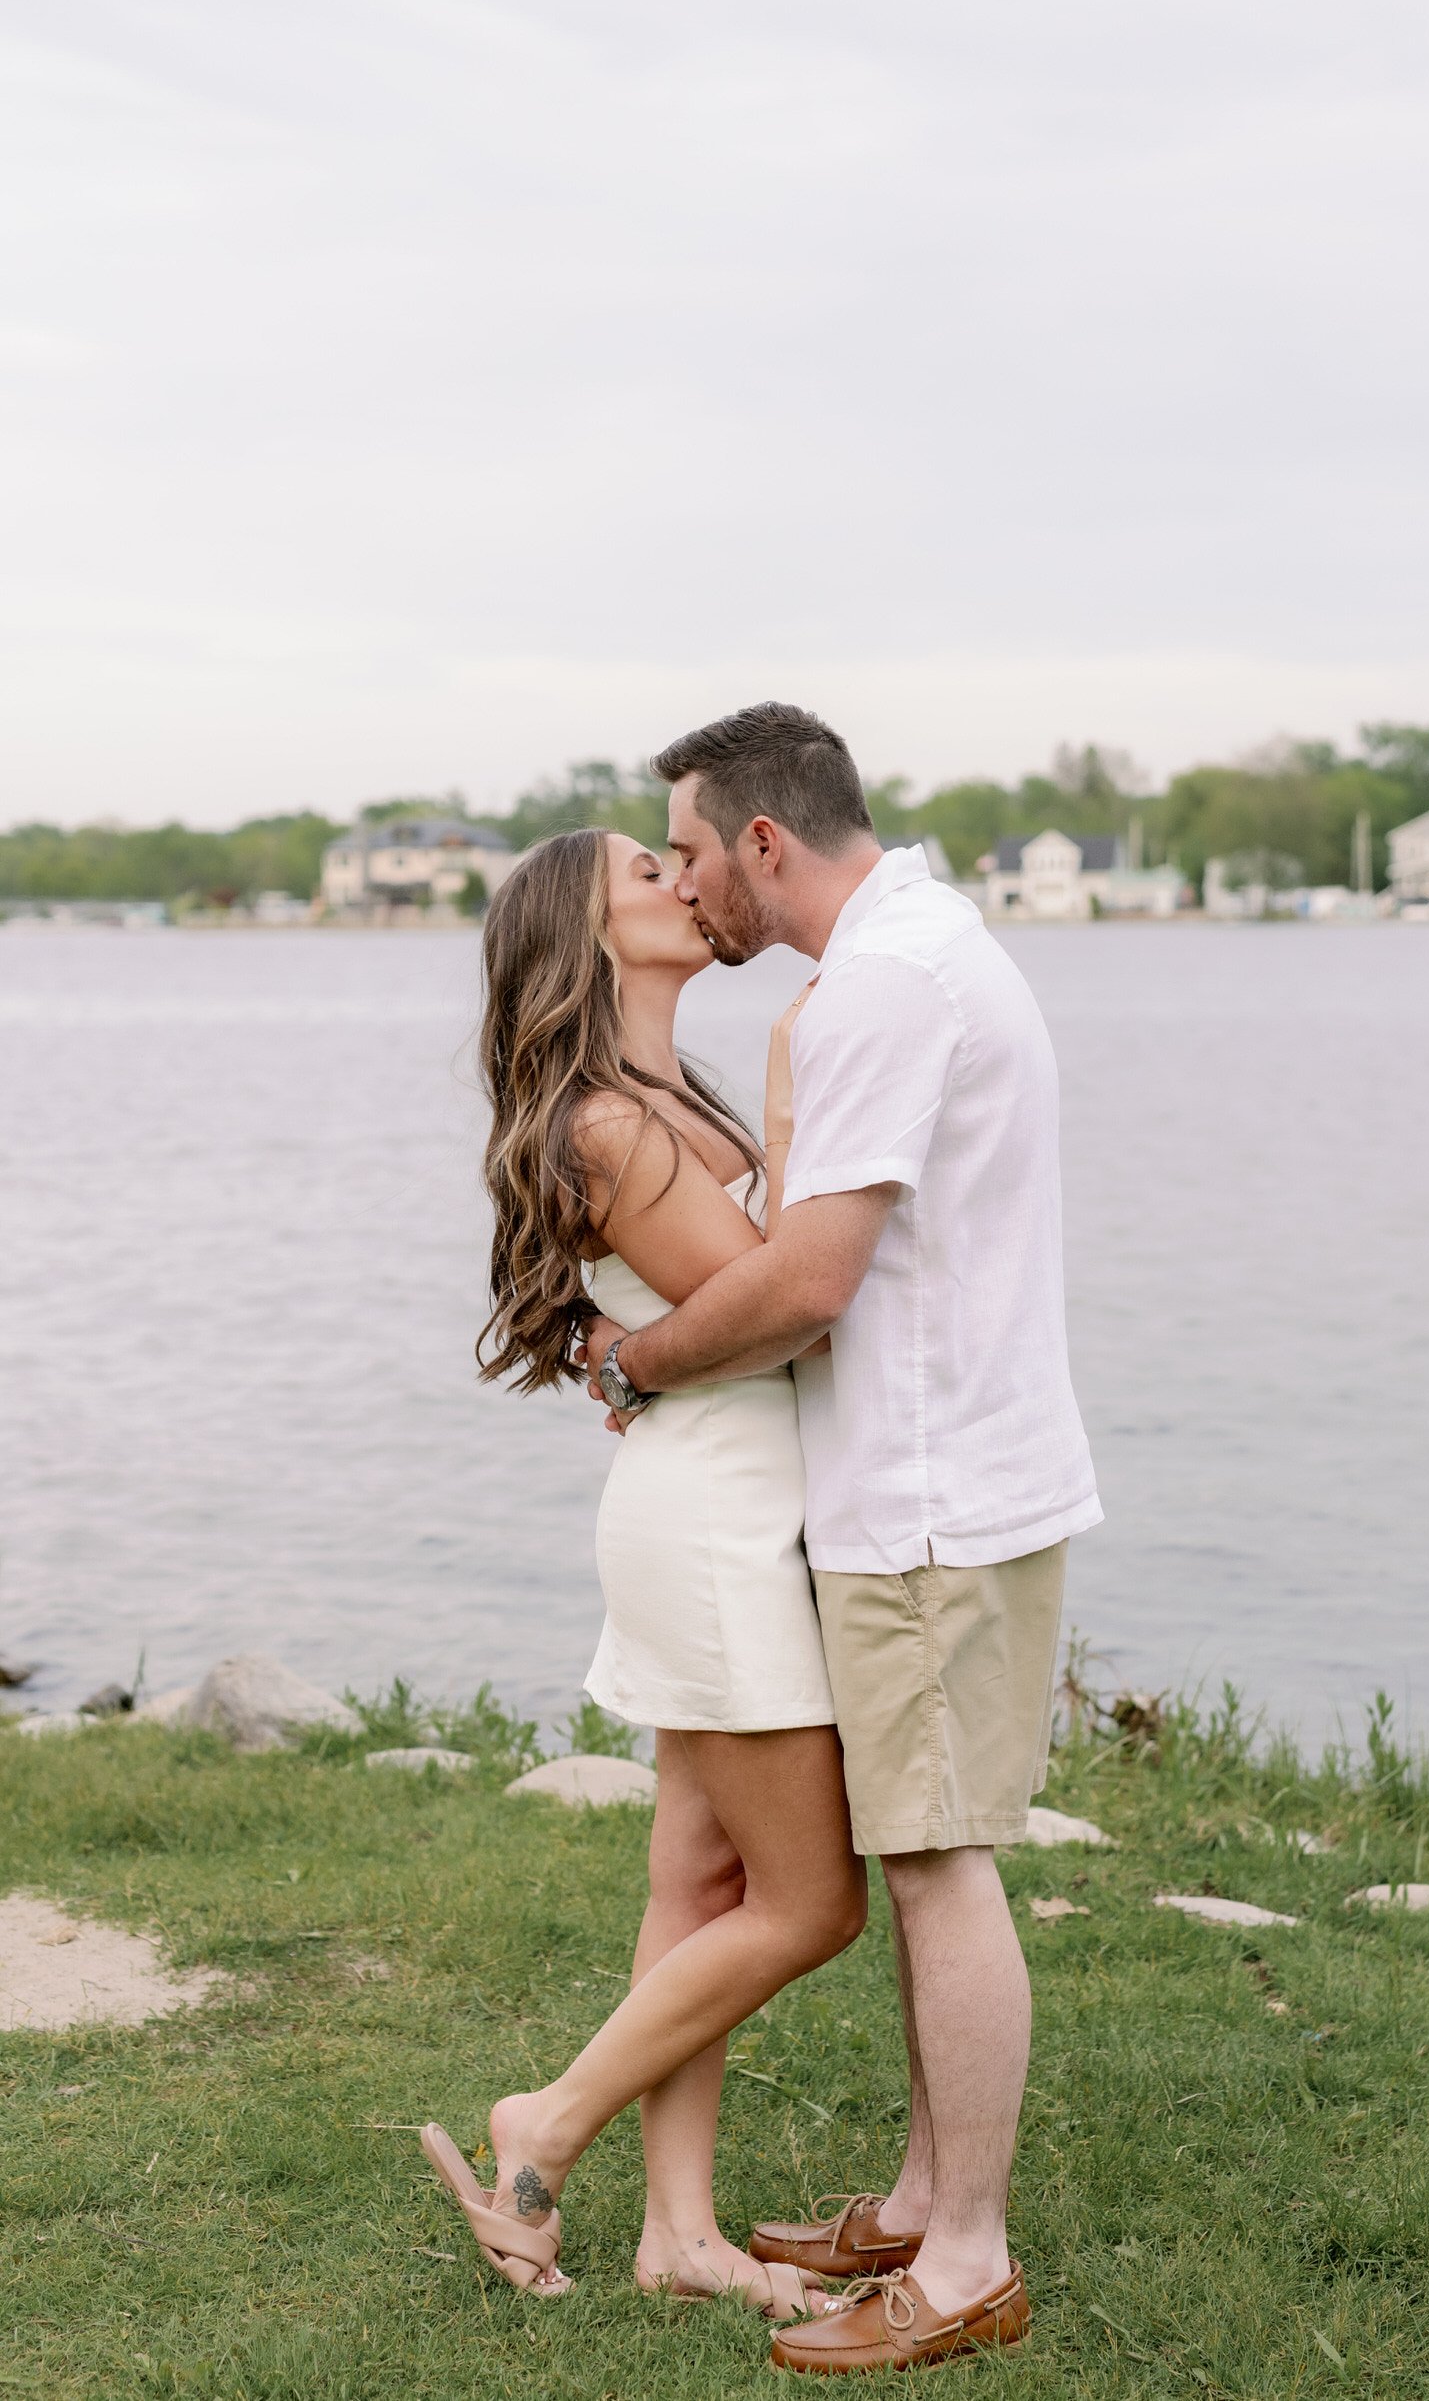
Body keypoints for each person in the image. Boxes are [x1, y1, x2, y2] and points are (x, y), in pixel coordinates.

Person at [582, 701, 1102, 2374]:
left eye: (689, 851)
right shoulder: (918, 952)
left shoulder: (878, 986)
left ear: (762, 844)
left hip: (932, 1490)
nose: (684, 885)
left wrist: (635, 1361)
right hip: (950, 1475)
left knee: (939, 1864)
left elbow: (809, 1281)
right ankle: (919, 2199)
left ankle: (963, 2263)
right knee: (923, 1850)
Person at [419, 824, 866, 2322]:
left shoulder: (672, 1094)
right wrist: (810, 1089)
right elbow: (780, 1305)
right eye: (646, 872)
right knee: (811, 1906)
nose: (686, 879)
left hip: (723, 1496)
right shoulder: (607, 1123)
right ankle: (546, 2123)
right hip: (714, 1521)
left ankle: (680, 2232)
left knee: (700, 1880)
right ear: (586, 935)